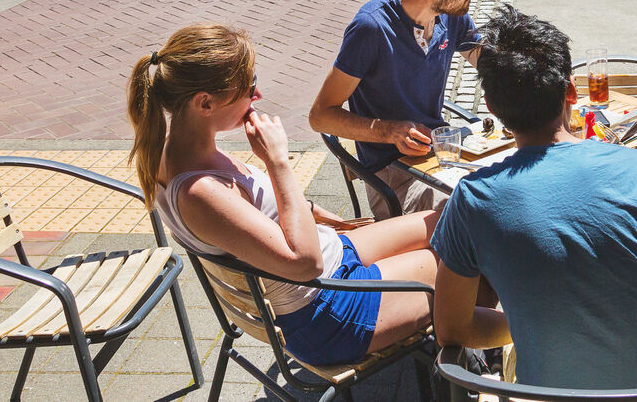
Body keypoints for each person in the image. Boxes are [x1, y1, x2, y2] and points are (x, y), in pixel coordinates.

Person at [430, 5, 637, 390]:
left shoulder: (473, 199)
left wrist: (530, 323)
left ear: (492, 110)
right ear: (571, 91)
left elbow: (450, 331)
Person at [127, 23, 437, 366]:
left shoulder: (174, 151)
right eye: (249, 86)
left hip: (328, 267)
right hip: (327, 310)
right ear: (205, 103)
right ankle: (474, 366)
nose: (256, 96)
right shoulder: (199, 192)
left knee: (443, 223)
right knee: (462, 265)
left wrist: (310, 209)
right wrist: (277, 162)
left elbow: (247, 216)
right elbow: (305, 264)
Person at [309, 0, 504, 218]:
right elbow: (320, 116)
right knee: (473, 215)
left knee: (508, 192)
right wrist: (390, 131)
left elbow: (494, 67)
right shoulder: (372, 28)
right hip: (390, 174)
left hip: (439, 159)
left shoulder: (450, 17)